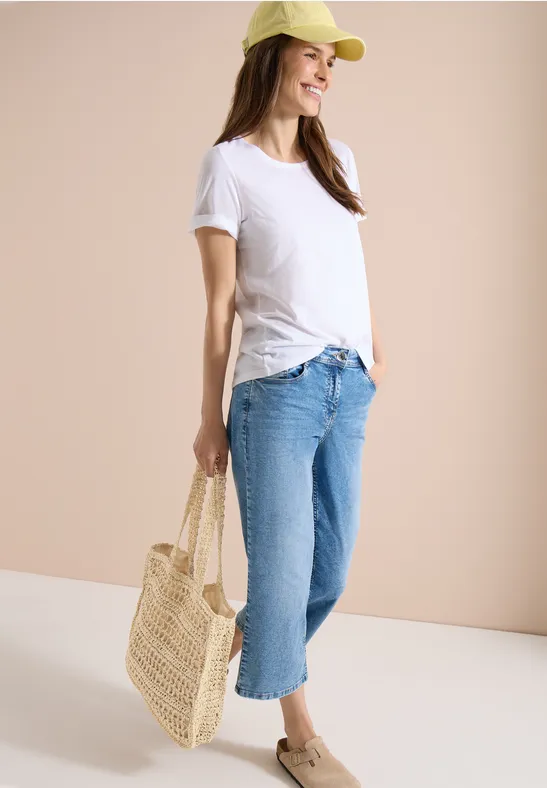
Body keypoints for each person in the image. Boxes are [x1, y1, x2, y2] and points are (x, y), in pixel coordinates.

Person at [188, 3, 387, 785]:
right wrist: (209, 418)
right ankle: (297, 734)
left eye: (330, 62)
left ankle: (258, 630)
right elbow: (217, 305)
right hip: (275, 390)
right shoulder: (227, 165)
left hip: (349, 384)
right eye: (310, 55)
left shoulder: (337, 156)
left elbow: (348, 261)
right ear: (268, 58)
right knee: (281, 567)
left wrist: (373, 344)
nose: (324, 72)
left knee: (327, 570)